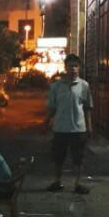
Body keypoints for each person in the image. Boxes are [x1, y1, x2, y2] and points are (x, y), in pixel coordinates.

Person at [45, 53, 93, 193]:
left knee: (78, 158)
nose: (73, 69)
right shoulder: (56, 86)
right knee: (58, 157)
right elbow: (52, 108)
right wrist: (45, 123)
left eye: (76, 66)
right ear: (65, 67)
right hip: (60, 128)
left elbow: (87, 108)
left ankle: (78, 184)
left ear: (79, 68)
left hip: (78, 129)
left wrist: (89, 126)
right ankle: (57, 181)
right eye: (70, 66)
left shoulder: (84, 86)